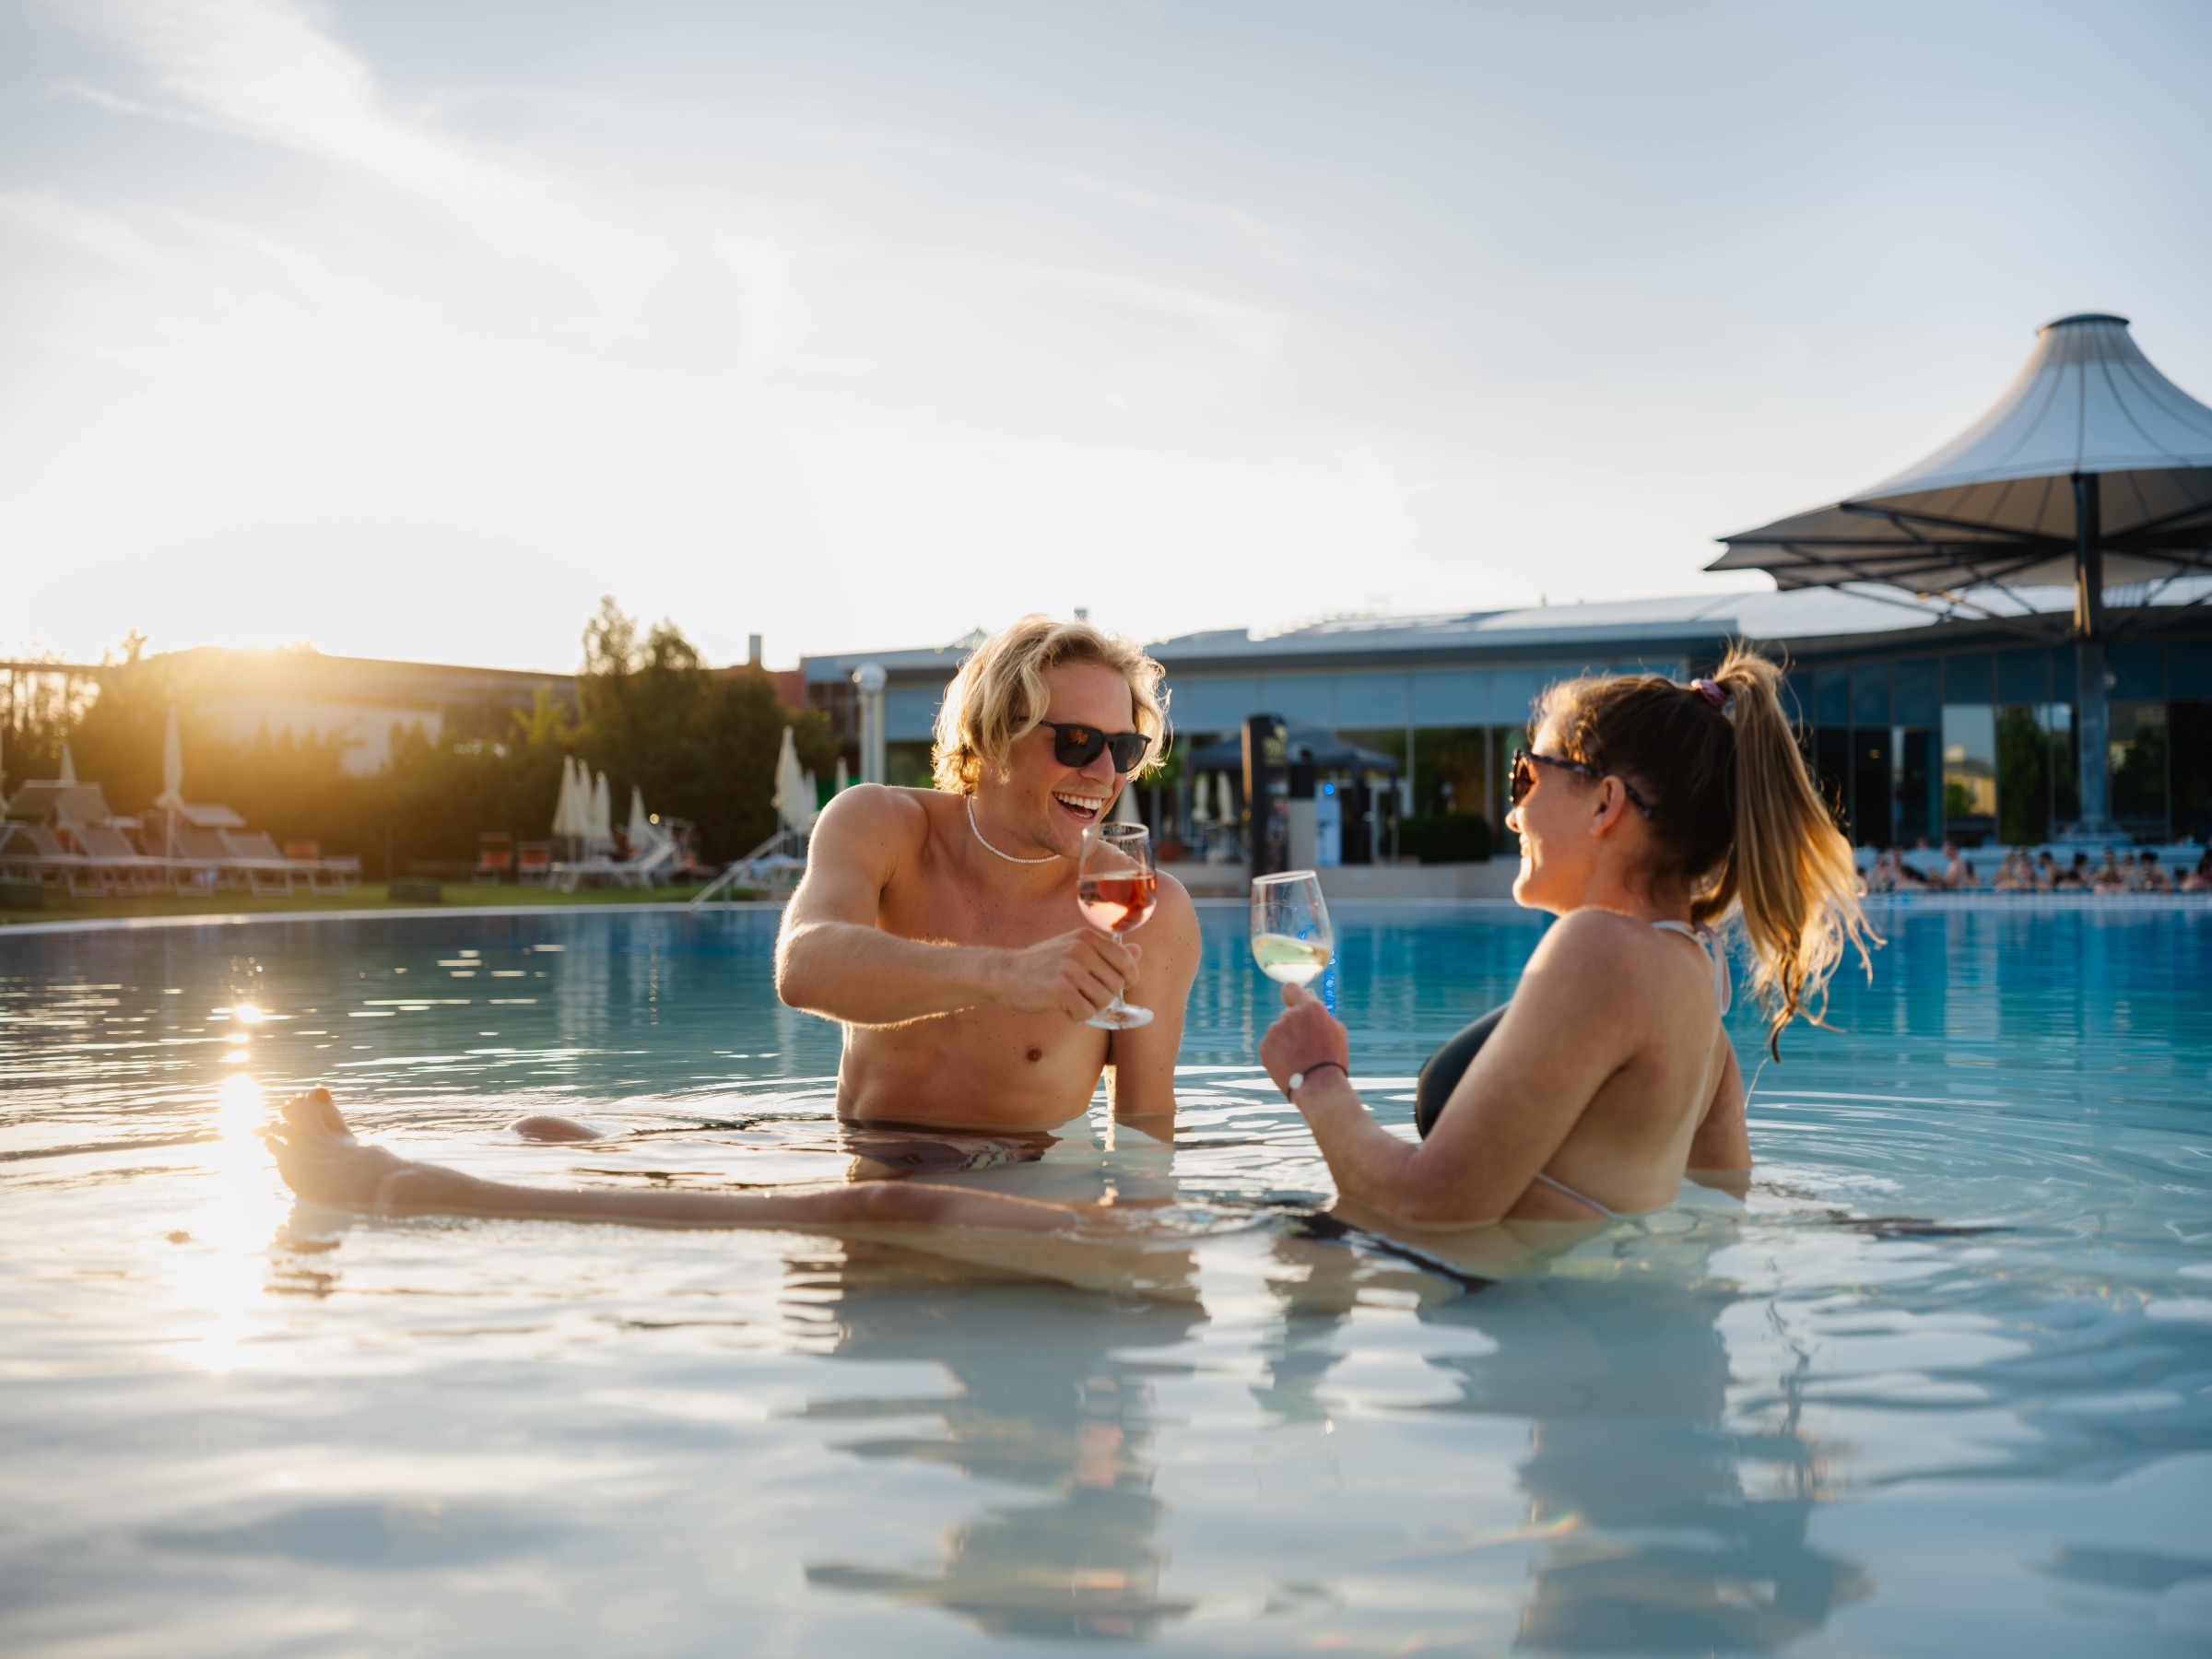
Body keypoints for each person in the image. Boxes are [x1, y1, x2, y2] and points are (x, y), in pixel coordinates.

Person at [268, 616, 1206, 1234]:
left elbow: (1147, 1125)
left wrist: (1136, 1248)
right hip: (863, 1154)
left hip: (1013, 1181)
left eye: (1124, 748)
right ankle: (506, 1162)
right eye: (1076, 743)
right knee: (547, 1122)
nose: (1103, 771)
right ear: (993, 737)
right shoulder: (882, 824)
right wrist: (1002, 975)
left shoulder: (1149, 912)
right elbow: (805, 967)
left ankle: (405, 1189)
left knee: (864, 1213)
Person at [1257, 646, 1876, 1227]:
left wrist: (1317, 1077)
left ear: (1605, 802)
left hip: (1501, 1311)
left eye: (1525, 777)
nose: (1512, 812)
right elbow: (1722, 1204)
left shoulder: (1600, 950)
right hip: (1585, 1323)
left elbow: (1433, 1207)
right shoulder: (1699, 979)